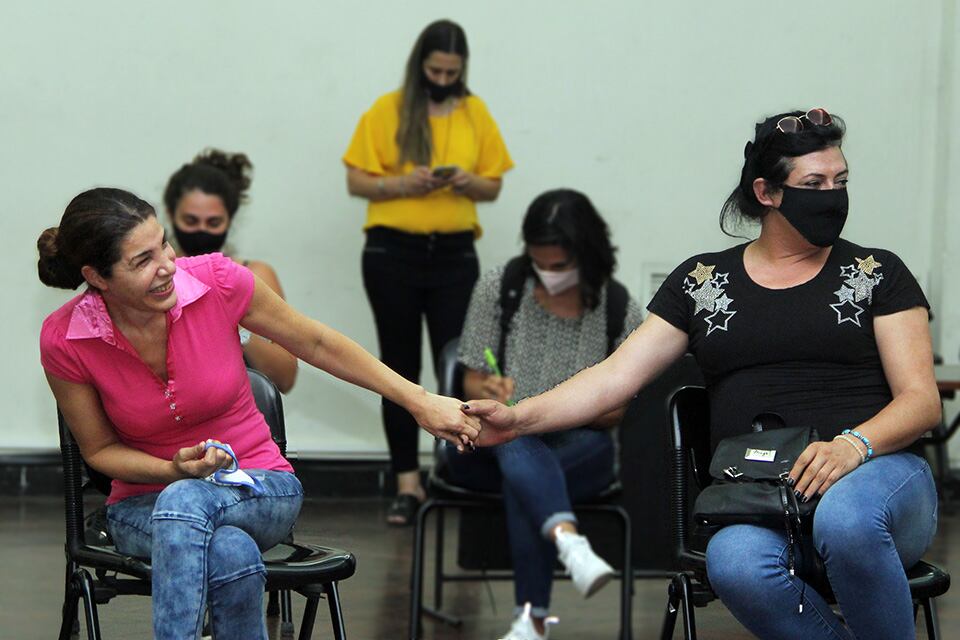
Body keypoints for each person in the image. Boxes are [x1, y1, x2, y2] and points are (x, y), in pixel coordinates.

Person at [465, 110, 940, 640]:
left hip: (876, 482)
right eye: (814, 183)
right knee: (733, 563)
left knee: (846, 520)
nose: (833, 195)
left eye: (841, 181)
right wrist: (516, 419)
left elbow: (921, 401)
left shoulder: (878, 274)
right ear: (767, 192)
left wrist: (852, 445)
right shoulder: (702, 282)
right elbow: (613, 379)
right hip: (762, 497)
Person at [37, 188, 480, 640]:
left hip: (258, 486)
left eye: (164, 244)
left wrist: (419, 400)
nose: (167, 265)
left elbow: (317, 343)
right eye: (142, 260)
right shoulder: (64, 339)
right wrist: (172, 469)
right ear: (97, 276)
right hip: (141, 507)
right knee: (225, 547)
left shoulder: (217, 281)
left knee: (186, 501)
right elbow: (101, 450)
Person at [441, 189, 642, 640]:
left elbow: (616, 410)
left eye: (559, 266)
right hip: (484, 449)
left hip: (579, 447)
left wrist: (546, 414)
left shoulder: (616, 308)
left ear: (586, 255)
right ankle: (567, 544)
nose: (548, 275)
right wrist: (487, 391)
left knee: (524, 466)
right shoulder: (501, 287)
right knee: (515, 442)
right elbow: (470, 380)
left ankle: (532, 619)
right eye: (539, 263)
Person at [343, 19, 513, 525]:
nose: (443, 78)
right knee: (397, 369)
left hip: (455, 253)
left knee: (458, 368)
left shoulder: (474, 112)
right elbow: (357, 180)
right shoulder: (388, 109)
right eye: (435, 69)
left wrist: (465, 181)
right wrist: (402, 186)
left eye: (452, 71)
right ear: (421, 65)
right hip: (391, 252)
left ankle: (457, 473)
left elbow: (492, 188)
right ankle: (407, 484)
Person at [164, 148, 297, 393]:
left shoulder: (254, 275)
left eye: (213, 223)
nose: (201, 231)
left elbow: (285, 377)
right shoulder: (158, 276)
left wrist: (234, 315)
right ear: (172, 215)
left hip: (243, 418)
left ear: (230, 219)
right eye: (191, 221)